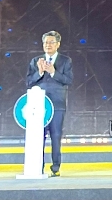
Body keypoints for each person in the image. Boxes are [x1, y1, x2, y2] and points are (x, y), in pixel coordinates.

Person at [26, 31, 73, 177]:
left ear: (58, 44)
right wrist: (40, 72)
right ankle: (37, 167)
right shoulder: (36, 61)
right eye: (46, 42)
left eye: (51, 42)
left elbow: (68, 80)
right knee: (38, 137)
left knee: (56, 135)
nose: (48, 45)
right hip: (39, 106)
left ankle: (55, 168)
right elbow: (29, 81)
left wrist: (53, 72)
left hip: (57, 105)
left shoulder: (65, 61)